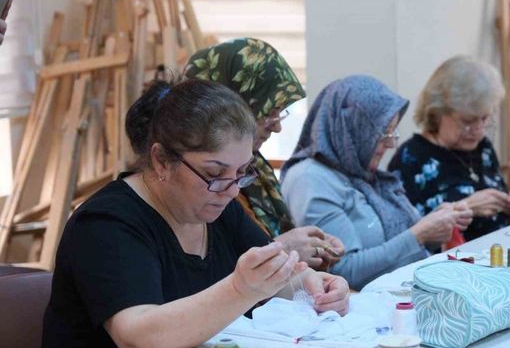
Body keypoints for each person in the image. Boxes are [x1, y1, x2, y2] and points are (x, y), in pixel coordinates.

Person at [42, 79, 349, 348]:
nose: (231, 189)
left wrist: (312, 285)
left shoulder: (217, 206)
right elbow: (138, 335)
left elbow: (271, 280)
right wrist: (240, 289)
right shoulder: (105, 224)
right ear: (162, 160)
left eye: (241, 172)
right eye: (214, 172)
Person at [279, 75, 473, 290]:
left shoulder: (359, 172)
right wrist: (419, 235)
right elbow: (344, 271)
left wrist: (437, 223)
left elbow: (396, 244)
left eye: (392, 131)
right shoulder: (310, 179)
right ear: (352, 127)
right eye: (383, 132)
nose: (390, 143)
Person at [185, 38, 344, 270]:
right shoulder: (197, 180)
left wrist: (311, 246)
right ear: (232, 104)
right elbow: (204, 272)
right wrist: (283, 248)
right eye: (268, 112)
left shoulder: (256, 170)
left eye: (281, 113)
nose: (277, 127)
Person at [388, 55, 510, 242]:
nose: (478, 130)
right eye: (468, 121)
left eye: (484, 119)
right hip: (450, 267)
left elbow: (500, 223)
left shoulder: (483, 149)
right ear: (437, 112)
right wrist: (466, 207)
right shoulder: (410, 159)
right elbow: (405, 239)